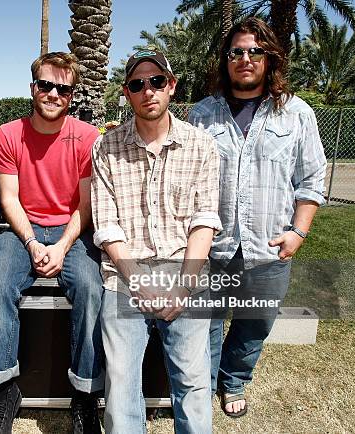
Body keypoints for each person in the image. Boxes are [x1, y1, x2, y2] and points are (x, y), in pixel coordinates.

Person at [189, 17, 327, 418]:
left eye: (254, 51)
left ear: (270, 58)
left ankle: (233, 380)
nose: (245, 59)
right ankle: (202, 383)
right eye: (236, 52)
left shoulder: (297, 114)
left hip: (268, 246)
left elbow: (312, 179)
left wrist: (298, 231)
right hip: (212, 244)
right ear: (226, 60)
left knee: (255, 324)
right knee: (206, 322)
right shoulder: (202, 115)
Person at [91, 49, 222, 434]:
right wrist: (137, 281)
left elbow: (204, 222)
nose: (148, 90)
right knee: (120, 382)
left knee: (194, 381)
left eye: (156, 81)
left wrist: (183, 286)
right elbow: (107, 225)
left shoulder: (201, 146)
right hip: (125, 275)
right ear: (128, 93)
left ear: (172, 86)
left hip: (184, 270)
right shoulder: (105, 147)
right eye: (137, 84)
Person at [0, 52, 105, 434]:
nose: (53, 93)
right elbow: (9, 199)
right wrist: (33, 243)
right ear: (33, 87)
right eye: (46, 85)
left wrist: (62, 247)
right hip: (22, 230)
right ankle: (3, 391)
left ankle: (84, 395)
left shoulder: (86, 138)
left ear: (72, 94)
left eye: (62, 88)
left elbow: (85, 205)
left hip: (72, 230)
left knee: (90, 287)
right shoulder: (7, 135)